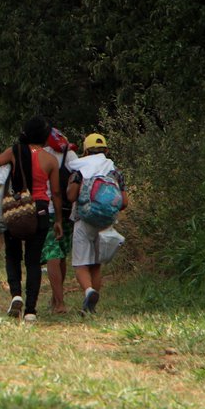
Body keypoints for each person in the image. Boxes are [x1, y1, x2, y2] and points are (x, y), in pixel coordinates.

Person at [0, 116, 63, 323]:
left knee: (12, 255)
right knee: (34, 262)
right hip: (41, 211)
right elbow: (55, 193)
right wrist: (59, 221)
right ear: (45, 137)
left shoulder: (14, 152)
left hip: (16, 209)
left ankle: (16, 295)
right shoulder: (50, 160)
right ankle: (31, 311)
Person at [66, 133, 128, 314]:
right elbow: (124, 202)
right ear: (106, 150)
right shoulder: (115, 171)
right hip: (106, 222)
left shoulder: (80, 170)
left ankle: (89, 291)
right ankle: (91, 307)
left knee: (80, 263)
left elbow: (71, 196)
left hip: (83, 219)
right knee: (96, 264)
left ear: (85, 151)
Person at [40, 128, 79, 313]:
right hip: (67, 210)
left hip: (48, 210)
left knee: (51, 254)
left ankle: (60, 302)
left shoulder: (43, 155)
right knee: (61, 255)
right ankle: (56, 299)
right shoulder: (71, 155)